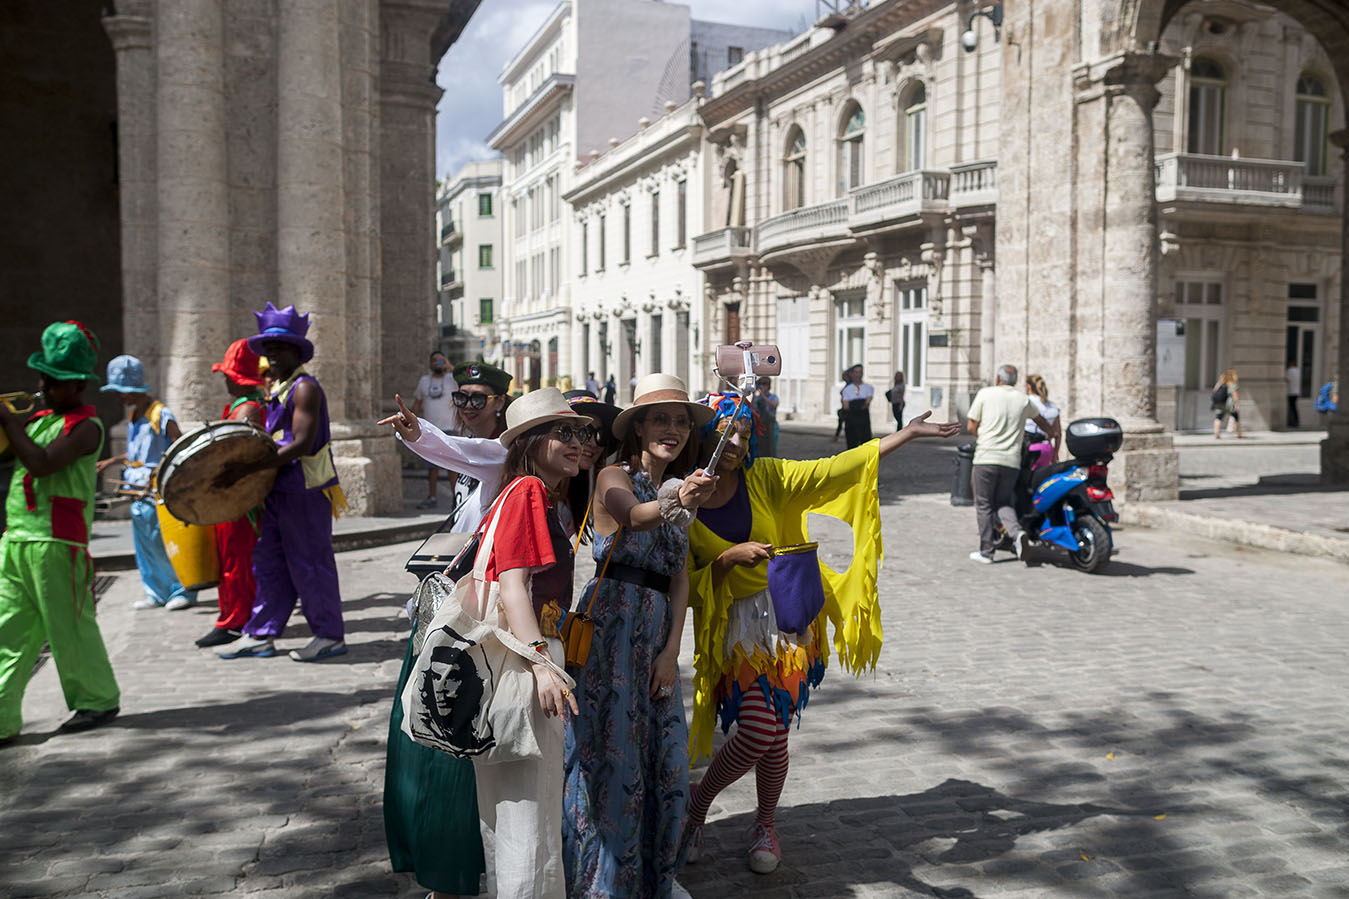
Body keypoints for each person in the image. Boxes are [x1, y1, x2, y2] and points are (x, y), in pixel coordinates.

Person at [682, 393, 959, 874]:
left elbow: (834, 469)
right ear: (706, 437)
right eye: (727, 434)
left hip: (788, 620)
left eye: (745, 435)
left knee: (775, 735)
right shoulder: (684, 497)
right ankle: (697, 805)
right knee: (759, 730)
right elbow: (684, 585)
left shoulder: (765, 477)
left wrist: (906, 434)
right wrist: (726, 561)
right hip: (733, 628)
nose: (737, 445)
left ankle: (763, 823)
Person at [564, 374, 717, 898]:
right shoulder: (614, 474)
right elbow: (633, 517)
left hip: (655, 634)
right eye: (661, 419)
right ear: (639, 428)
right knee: (614, 759)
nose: (672, 430)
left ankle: (655, 878)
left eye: (681, 422)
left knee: (665, 761)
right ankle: (604, 882)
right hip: (613, 627)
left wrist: (672, 650)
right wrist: (680, 499)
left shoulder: (679, 487)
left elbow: (680, 576)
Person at [375, 360, 515, 899]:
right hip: (441, 598)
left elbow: (459, 451)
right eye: (461, 398)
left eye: (479, 398)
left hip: (472, 611)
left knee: (452, 728)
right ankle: (435, 857)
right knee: (420, 723)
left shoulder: (499, 452)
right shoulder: (471, 454)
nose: (468, 407)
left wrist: (417, 431)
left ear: (501, 403)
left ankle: (456, 867)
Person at [474, 388, 586, 899]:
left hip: (509, 658)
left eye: (581, 431)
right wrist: (543, 665)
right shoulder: (528, 491)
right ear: (530, 441)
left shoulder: (517, 492)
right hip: (526, 659)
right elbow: (514, 586)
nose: (578, 441)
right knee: (530, 817)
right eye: (564, 432)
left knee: (508, 814)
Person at [0, 321, 121, 742]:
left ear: (79, 385)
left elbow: (42, 464)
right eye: (44, 379)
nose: (45, 387)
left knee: (69, 628)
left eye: (55, 382)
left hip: (57, 542)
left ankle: (98, 700)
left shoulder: (87, 427)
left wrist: (8, 421)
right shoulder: (37, 419)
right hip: (17, 538)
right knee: (9, 631)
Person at [216, 302, 348, 662]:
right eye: (267, 349)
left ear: (296, 351)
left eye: (278, 349)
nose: (270, 356)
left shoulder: (304, 389)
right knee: (270, 561)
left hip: (305, 489)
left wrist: (247, 469)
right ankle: (261, 633)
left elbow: (301, 443)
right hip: (281, 488)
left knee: (310, 563)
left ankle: (329, 635)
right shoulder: (280, 388)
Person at [96, 355, 196, 611]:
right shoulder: (134, 416)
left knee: (164, 543)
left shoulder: (160, 413)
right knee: (146, 546)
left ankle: (182, 590)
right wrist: (111, 462)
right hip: (136, 492)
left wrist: (163, 472)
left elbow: (178, 446)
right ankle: (156, 592)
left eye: (121, 391)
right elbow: (136, 455)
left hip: (155, 490)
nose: (119, 397)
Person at [194, 339, 267, 648]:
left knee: (237, 561)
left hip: (239, 499)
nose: (224, 380)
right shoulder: (244, 405)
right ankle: (234, 616)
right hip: (233, 496)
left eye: (227, 374)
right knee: (232, 559)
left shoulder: (248, 409)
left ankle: (237, 620)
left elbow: (239, 454)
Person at [966, 364, 1052, 564]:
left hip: (986, 457)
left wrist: (982, 436)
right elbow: (1040, 420)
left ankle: (986, 551)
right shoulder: (1022, 399)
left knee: (984, 504)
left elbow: (971, 425)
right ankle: (1017, 533)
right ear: (1015, 381)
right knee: (1003, 502)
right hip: (1011, 461)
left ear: (998, 379)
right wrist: (1051, 432)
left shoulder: (985, 394)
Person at [412, 351, 459, 509]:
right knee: (431, 467)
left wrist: (449, 365)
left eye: (440, 360)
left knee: (452, 467)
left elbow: (464, 380)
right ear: (430, 363)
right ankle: (432, 497)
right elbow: (417, 403)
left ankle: (456, 497)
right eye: (434, 360)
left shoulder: (452, 379)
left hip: (449, 429)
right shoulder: (424, 381)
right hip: (429, 430)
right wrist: (410, 421)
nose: (437, 363)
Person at [1023, 374, 1062, 470]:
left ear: (1028, 386)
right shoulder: (1052, 406)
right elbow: (1058, 433)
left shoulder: (1026, 402)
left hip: (1030, 448)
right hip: (1047, 449)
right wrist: (1055, 453)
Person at [839, 365, 873, 449]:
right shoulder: (847, 389)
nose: (858, 375)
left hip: (863, 419)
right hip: (851, 419)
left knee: (865, 445)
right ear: (852, 374)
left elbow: (867, 402)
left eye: (860, 372)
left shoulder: (868, 388)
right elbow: (845, 406)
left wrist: (857, 406)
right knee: (852, 444)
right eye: (856, 372)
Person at [752, 377, 779, 458]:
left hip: (771, 426)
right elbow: (752, 408)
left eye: (764, 384)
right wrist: (753, 395)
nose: (762, 386)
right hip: (759, 426)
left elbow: (774, 404)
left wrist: (763, 396)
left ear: (768, 386)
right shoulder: (757, 398)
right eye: (760, 384)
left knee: (771, 449)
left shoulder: (773, 397)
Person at [1212, 369, 1242, 439]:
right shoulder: (1232, 384)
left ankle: (1216, 433)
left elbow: (1214, 391)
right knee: (1236, 418)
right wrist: (1236, 405)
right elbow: (1235, 396)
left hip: (1220, 403)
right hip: (1229, 405)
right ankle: (1238, 434)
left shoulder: (1219, 383)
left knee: (1218, 418)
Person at [1286, 363, 1301, 429]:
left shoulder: (1290, 370)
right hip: (1296, 392)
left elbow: (1287, 379)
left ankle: (1292, 422)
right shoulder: (1298, 370)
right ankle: (1296, 421)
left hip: (1291, 391)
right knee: (1294, 407)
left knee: (1292, 407)